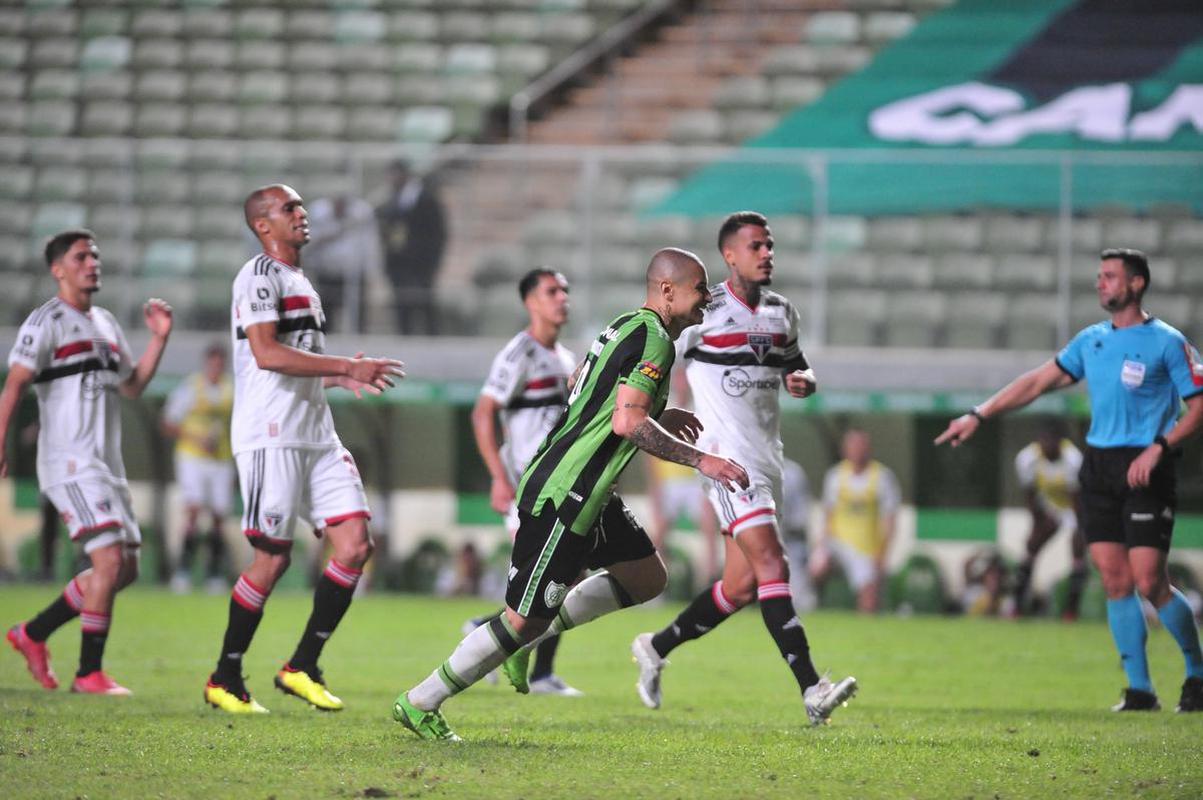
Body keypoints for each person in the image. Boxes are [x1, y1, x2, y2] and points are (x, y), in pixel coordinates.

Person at [392, 248, 748, 741]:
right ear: (667, 291)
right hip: (566, 493)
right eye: (698, 288)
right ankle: (420, 702)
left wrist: (659, 416)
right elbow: (625, 421)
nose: (706, 298)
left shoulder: (624, 326)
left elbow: (593, 397)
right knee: (520, 623)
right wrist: (701, 460)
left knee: (646, 577)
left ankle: (525, 646)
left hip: (592, 493)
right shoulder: (655, 344)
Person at [936, 248, 1203, 713]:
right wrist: (980, 413)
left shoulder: (1167, 342)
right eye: (1099, 276)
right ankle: (1140, 690)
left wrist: (1160, 447)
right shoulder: (1091, 340)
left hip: (1147, 464)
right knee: (1116, 581)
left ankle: (1197, 675)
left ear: (1136, 284)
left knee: (1149, 581)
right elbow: (1037, 382)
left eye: (1110, 277)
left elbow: (1198, 406)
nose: (1100, 284)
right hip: (1099, 466)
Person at [630, 212, 857, 726]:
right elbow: (654, 356)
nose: (766, 253)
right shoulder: (701, 315)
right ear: (729, 255)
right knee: (774, 565)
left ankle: (656, 646)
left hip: (768, 459)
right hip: (728, 463)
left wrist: (805, 379)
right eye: (756, 246)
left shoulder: (781, 313)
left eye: (770, 245)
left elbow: (798, 364)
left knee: (740, 587)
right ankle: (812, 689)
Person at [203, 184, 406, 714]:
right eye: (288, 208)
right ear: (263, 225)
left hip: (316, 431)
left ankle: (302, 666)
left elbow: (295, 367)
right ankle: (225, 675)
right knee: (272, 559)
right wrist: (344, 365)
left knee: (356, 545)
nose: (302, 213)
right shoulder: (257, 277)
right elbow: (267, 355)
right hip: (271, 435)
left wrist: (342, 378)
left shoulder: (301, 282)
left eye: (300, 205)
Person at [3, 229, 172, 695]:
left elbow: (132, 386)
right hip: (70, 462)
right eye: (81, 257)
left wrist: (159, 339)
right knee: (108, 560)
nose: (92, 263)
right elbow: (14, 384)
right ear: (58, 269)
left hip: (107, 464)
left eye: (95, 255)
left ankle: (32, 633)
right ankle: (88, 673)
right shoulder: (46, 322)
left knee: (125, 570)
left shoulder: (105, 322)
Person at [465, 267, 582, 696]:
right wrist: (498, 478)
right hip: (526, 487)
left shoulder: (566, 358)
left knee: (564, 575)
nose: (562, 298)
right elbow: (482, 413)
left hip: (559, 483)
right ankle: (530, 666)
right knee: (550, 576)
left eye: (565, 290)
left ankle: (488, 633)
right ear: (531, 302)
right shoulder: (518, 354)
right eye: (553, 291)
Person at [160, 342, 235, 594]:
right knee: (193, 511)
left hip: (221, 458)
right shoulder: (191, 387)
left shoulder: (230, 389)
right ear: (206, 363)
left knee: (218, 516)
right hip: (192, 457)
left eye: (220, 363)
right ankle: (182, 571)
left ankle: (214, 573)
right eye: (212, 363)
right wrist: (196, 438)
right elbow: (168, 422)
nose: (216, 367)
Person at [809, 429, 901, 613]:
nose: (857, 450)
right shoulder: (835, 476)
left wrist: (882, 554)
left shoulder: (882, 477)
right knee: (816, 568)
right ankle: (816, 608)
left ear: (869, 449)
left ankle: (865, 630)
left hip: (865, 548)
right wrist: (821, 545)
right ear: (845, 449)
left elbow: (890, 520)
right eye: (852, 446)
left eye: (861, 446)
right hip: (837, 543)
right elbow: (828, 515)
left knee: (868, 596)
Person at [1010, 421, 1087, 619]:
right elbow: (1029, 495)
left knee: (1077, 548)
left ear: (1060, 442)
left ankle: (1071, 611)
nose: (1046, 445)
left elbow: (1077, 499)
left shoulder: (1073, 460)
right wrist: (1038, 523)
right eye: (1042, 440)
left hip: (1074, 507)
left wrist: (1080, 530)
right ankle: (1017, 606)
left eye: (1050, 441)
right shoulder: (1027, 459)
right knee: (1032, 545)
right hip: (1049, 505)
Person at [376, 160, 447, 335]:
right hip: (398, 261)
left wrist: (433, 260)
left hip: (421, 261)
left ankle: (431, 338)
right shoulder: (391, 201)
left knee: (424, 302)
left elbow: (438, 232)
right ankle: (404, 336)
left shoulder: (426, 199)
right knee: (402, 303)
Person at [305, 193, 383, 334]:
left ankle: (360, 339)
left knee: (358, 314)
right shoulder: (318, 211)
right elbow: (309, 240)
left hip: (355, 272)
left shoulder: (362, 212)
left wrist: (372, 271)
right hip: (327, 271)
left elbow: (370, 244)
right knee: (326, 314)